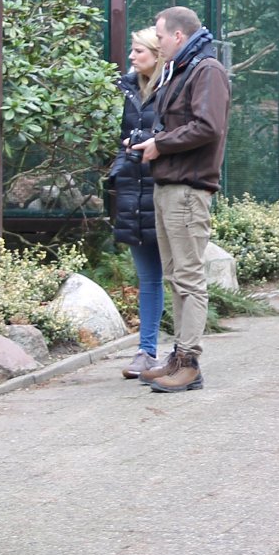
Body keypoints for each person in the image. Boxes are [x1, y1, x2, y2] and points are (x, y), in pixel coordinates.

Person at [128, 6, 229, 393]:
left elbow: (208, 126)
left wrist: (160, 144)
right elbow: (177, 124)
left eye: (160, 33)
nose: (156, 40)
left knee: (189, 277)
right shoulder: (181, 69)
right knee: (175, 276)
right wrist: (146, 143)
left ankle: (190, 362)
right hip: (168, 184)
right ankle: (178, 355)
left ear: (178, 36)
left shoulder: (207, 70)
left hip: (188, 188)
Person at [109, 28, 164, 379]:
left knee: (179, 277)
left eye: (139, 50)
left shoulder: (174, 89)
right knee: (148, 279)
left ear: (158, 54)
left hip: (166, 190)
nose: (131, 57)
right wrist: (118, 169)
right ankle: (146, 352)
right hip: (132, 192)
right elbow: (119, 139)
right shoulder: (126, 90)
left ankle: (185, 354)